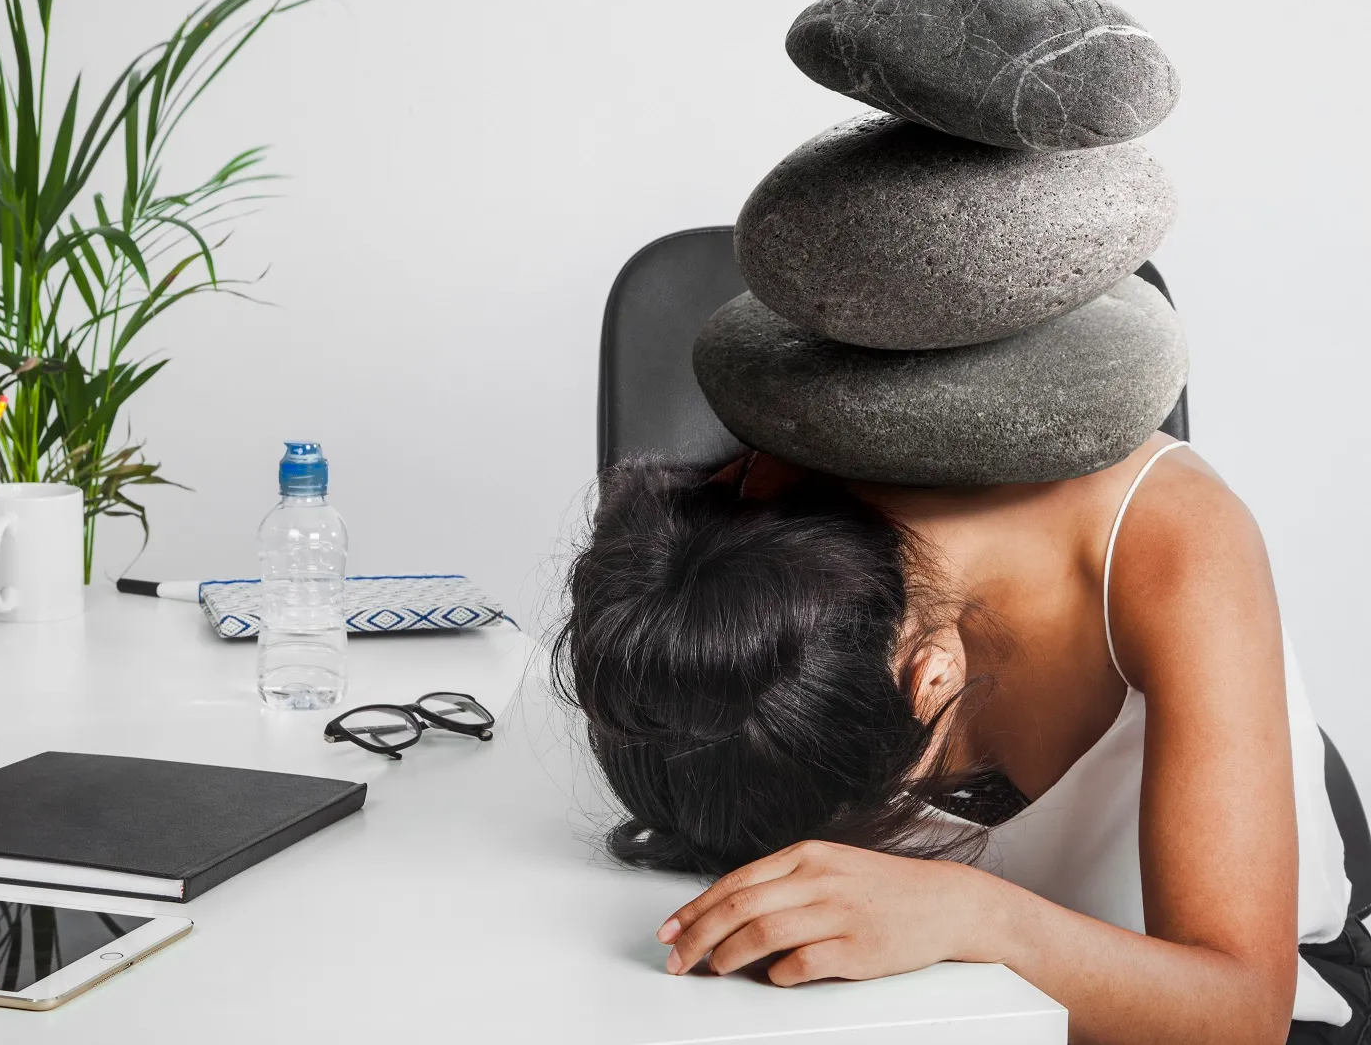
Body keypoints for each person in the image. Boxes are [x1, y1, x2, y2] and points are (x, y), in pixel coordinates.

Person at [553, 436, 1368, 1044]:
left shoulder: (1176, 540)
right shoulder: (758, 512)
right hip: (969, 1005)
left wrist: (973, 915)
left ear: (931, 674)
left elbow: (1243, 1010)